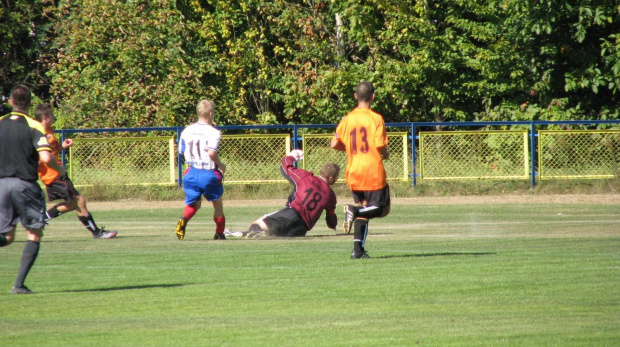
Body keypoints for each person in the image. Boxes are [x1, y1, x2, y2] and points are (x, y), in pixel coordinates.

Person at [0, 85, 67, 294]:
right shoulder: (34, 125)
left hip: (1, 184)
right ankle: (18, 285)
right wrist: (60, 170)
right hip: (24, 185)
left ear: (10, 102)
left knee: (7, 237)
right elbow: (46, 157)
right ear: (30, 104)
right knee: (34, 233)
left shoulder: (0, 123)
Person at [33, 103, 117, 239]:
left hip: (58, 173)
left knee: (73, 204)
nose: (54, 117)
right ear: (44, 116)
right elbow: (38, 157)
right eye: (52, 115)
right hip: (53, 175)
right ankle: (97, 233)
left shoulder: (50, 131)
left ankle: (40, 219)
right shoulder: (37, 132)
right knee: (79, 201)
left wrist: (62, 146)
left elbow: (52, 152)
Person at [330, 81, 391, 259]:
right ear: (373, 96)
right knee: (381, 209)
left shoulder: (347, 118)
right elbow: (380, 146)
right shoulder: (376, 118)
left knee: (365, 209)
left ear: (355, 96)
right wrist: (386, 154)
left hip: (354, 171)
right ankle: (353, 211)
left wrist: (350, 148)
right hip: (372, 170)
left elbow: (334, 143)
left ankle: (358, 251)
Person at [225, 150, 340, 238]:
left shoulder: (305, 177)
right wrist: (333, 226)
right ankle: (257, 234)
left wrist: (291, 156)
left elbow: (285, 167)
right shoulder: (331, 196)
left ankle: (245, 234)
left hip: (291, 213)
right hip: (301, 229)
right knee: (274, 235)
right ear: (331, 177)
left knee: (257, 225)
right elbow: (331, 220)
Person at [175, 99, 227, 240]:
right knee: (217, 205)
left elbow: (181, 151)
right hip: (208, 172)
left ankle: (183, 220)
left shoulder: (187, 131)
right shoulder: (213, 132)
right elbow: (211, 153)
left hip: (191, 172)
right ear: (210, 113)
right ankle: (219, 233)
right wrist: (220, 164)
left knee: (194, 204)